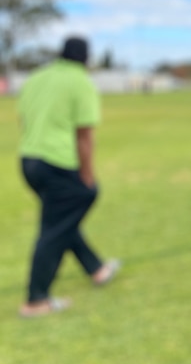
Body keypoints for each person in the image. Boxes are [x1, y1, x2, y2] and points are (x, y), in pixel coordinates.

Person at [16, 36, 120, 317]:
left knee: (61, 218)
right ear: (86, 58)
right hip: (57, 162)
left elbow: (23, 118)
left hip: (28, 160)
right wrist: (87, 175)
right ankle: (36, 300)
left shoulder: (37, 77)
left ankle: (96, 269)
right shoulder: (80, 81)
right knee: (71, 210)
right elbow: (84, 135)